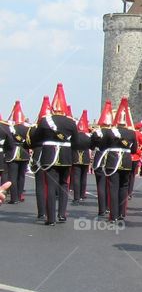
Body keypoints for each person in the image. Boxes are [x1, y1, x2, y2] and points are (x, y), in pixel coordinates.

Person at [26, 85, 80, 225]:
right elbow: (76, 141)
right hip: (66, 156)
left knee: (50, 186)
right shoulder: (71, 122)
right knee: (63, 185)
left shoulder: (45, 121)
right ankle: (62, 214)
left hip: (49, 155)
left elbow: (36, 138)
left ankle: (50, 218)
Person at [92, 98, 138, 222]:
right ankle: (122, 213)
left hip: (113, 161)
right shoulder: (132, 133)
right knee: (124, 187)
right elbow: (134, 150)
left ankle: (114, 215)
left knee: (113, 187)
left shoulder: (110, 132)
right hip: (127, 161)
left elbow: (103, 147)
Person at [3, 101, 29, 204]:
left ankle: (14, 198)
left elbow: (8, 141)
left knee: (12, 176)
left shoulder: (10, 128)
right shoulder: (27, 128)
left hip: (12, 153)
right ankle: (19, 195)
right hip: (24, 153)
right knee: (21, 176)